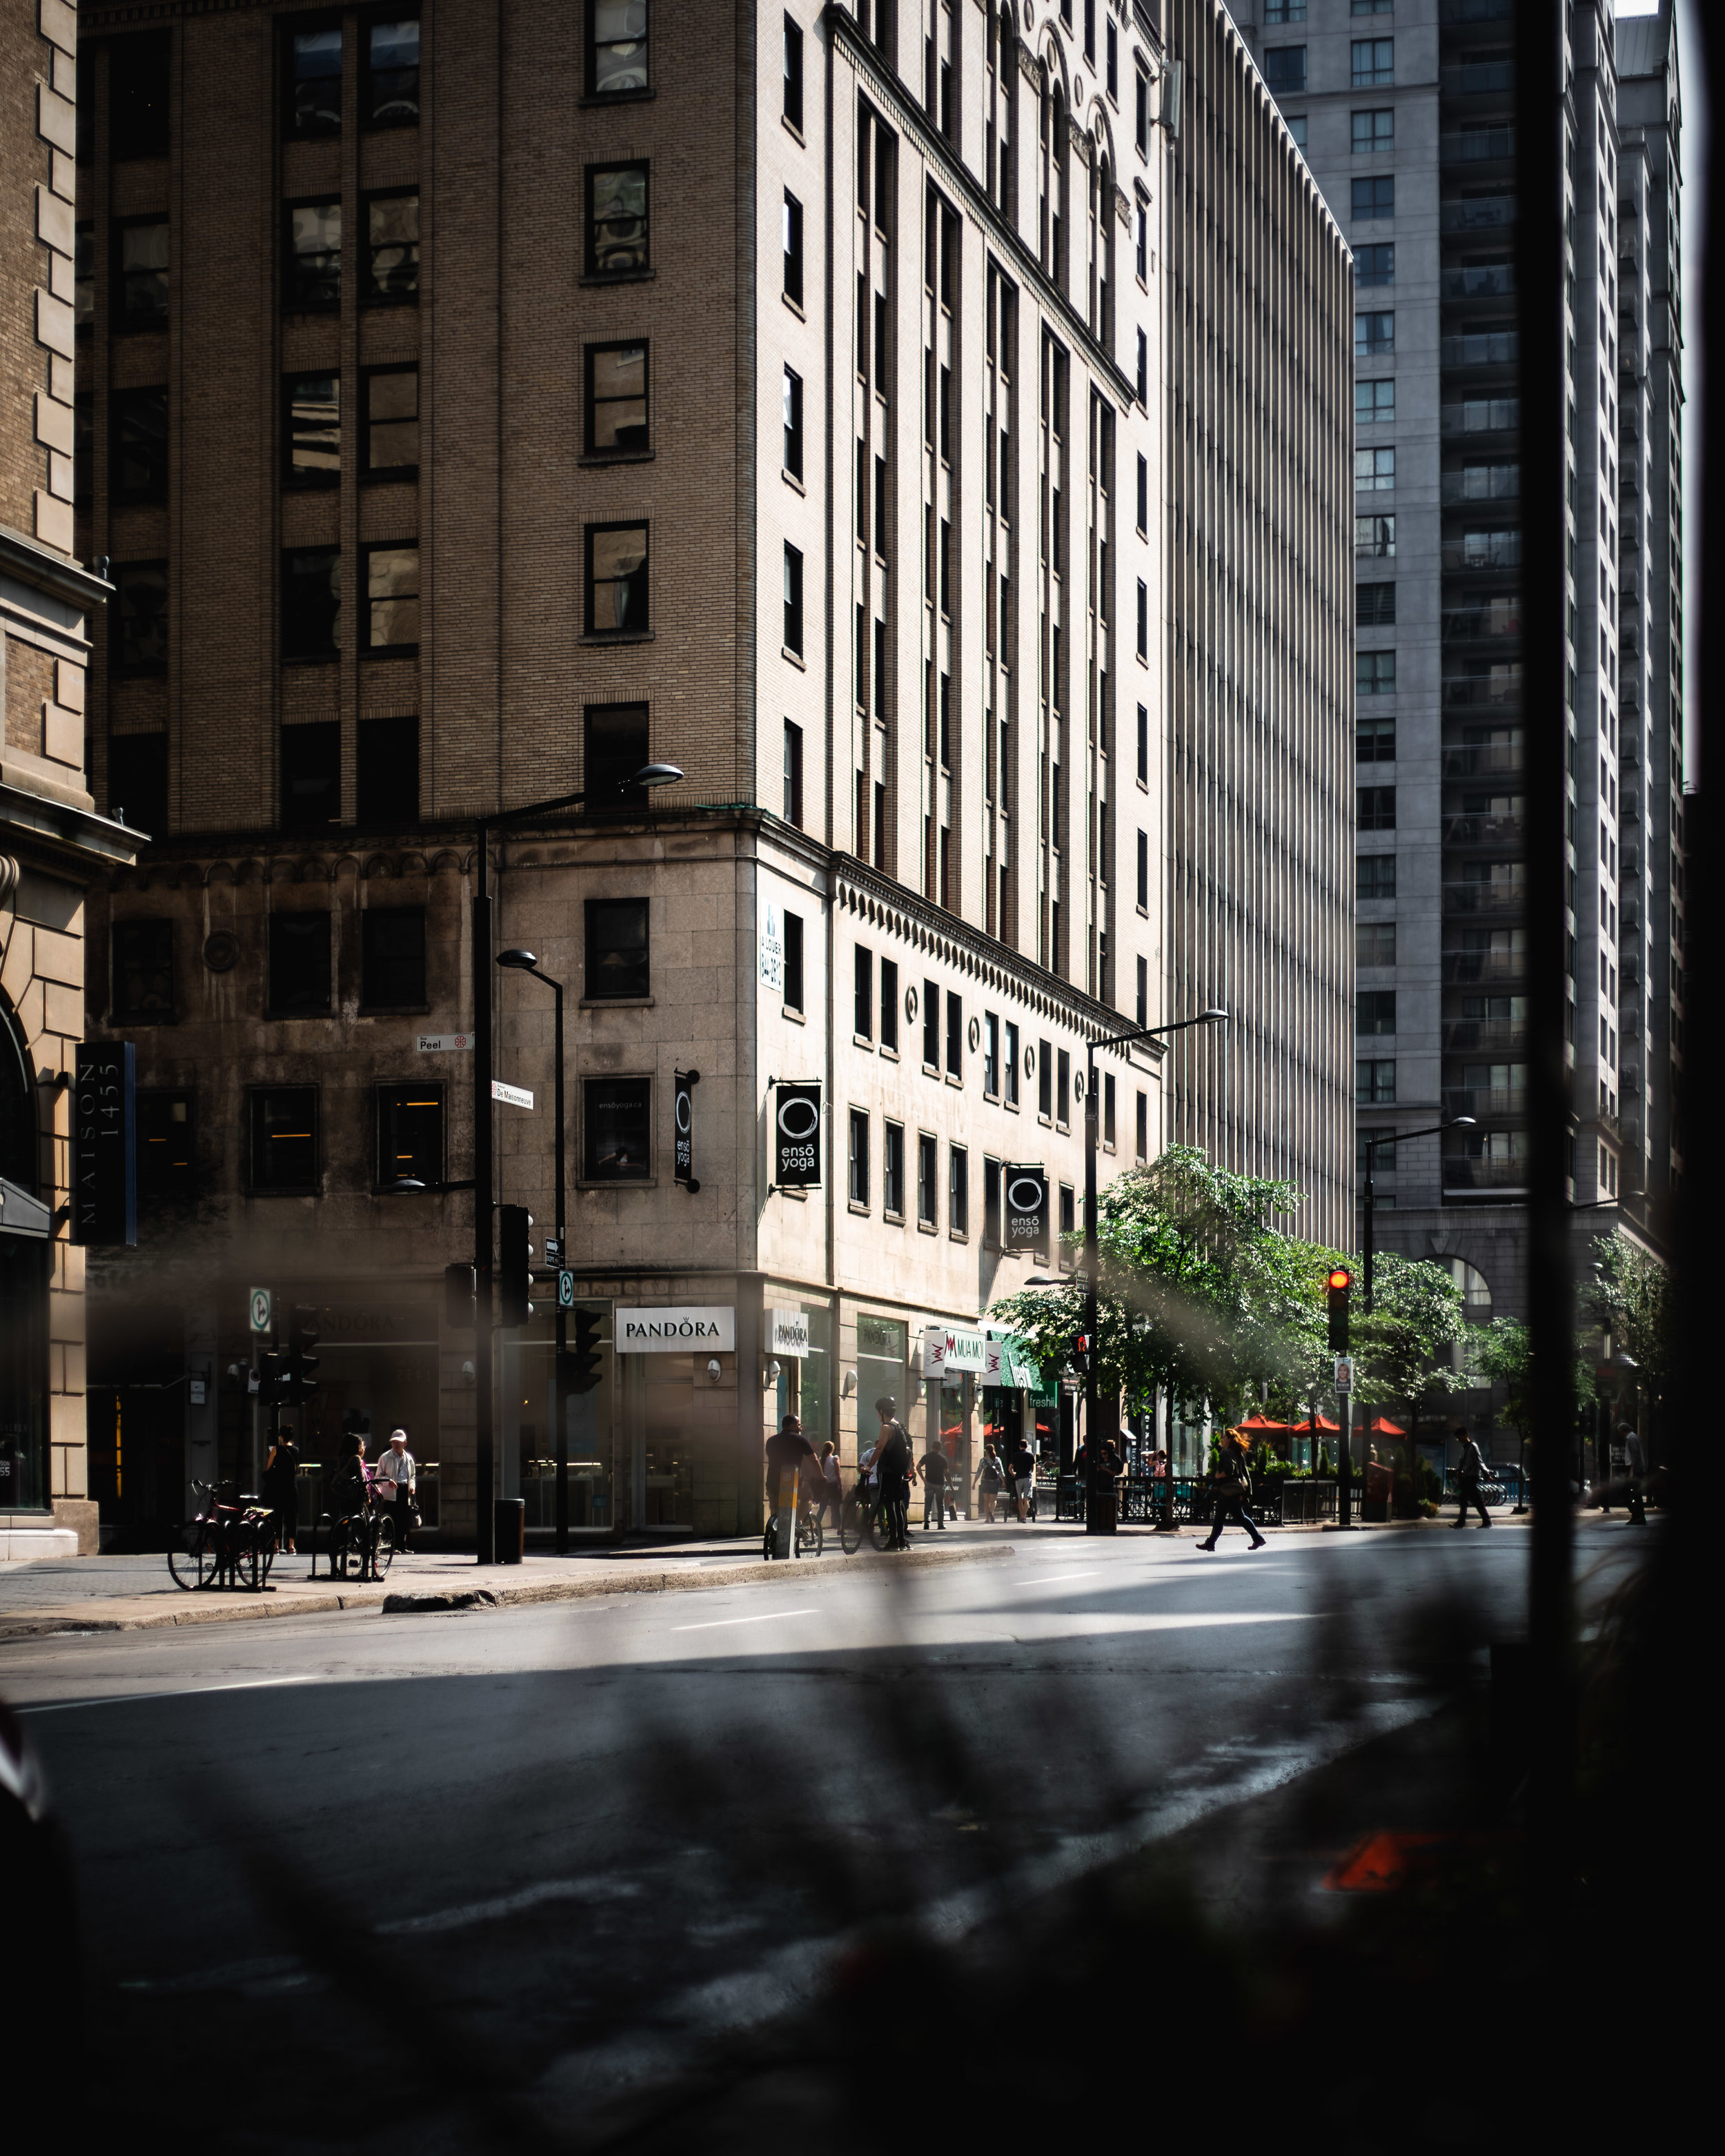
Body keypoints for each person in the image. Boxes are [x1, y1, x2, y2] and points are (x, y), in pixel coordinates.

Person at [1198, 1431, 1265, 1552]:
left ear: (1229, 1439)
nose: (1222, 1440)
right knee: (1221, 1518)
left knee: (1239, 1517)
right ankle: (1211, 1543)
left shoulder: (1227, 1453)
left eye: (1224, 1437)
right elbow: (1245, 1472)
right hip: (1232, 1491)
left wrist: (1218, 1475)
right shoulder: (1237, 1453)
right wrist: (1247, 1492)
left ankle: (1257, 1538)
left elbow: (1229, 1470)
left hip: (1229, 1491)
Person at [871, 1396, 916, 1550]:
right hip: (899, 1472)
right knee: (898, 1505)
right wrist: (911, 1468)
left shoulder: (886, 1427)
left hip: (888, 1472)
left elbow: (880, 1448)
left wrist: (869, 1466)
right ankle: (902, 1540)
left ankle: (893, 1541)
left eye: (878, 1412)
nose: (878, 1415)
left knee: (888, 1505)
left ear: (882, 1411)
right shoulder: (901, 1426)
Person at [764, 1414, 816, 1541]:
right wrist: (820, 1476)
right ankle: (798, 1522)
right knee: (808, 1496)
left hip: (773, 1481)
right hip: (792, 1480)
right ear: (792, 1426)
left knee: (775, 1510)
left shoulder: (771, 1441)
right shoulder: (800, 1440)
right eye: (798, 1425)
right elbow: (813, 1460)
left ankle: (773, 1536)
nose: (800, 1427)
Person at [374, 1427, 417, 1553]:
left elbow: (413, 1475)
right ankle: (389, 1546)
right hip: (390, 1492)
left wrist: (412, 1487)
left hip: (404, 1490)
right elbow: (378, 1476)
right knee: (391, 1519)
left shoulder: (409, 1459)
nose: (396, 1444)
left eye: (398, 1442)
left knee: (403, 1520)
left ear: (405, 1443)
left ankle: (401, 1546)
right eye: (394, 1442)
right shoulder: (385, 1457)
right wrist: (388, 1481)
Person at [261, 1427, 300, 1554]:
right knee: (291, 1516)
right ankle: (291, 1546)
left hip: (278, 1487)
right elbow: (296, 1469)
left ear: (281, 1437)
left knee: (278, 1516)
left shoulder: (276, 1449)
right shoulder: (296, 1451)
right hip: (291, 1487)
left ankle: (276, 1546)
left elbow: (268, 1468)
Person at [1452, 1425, 1492, 1529]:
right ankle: (1463, 1522)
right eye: (1457, 1438)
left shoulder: (1473, 1447)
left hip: (1472, 1476)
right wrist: (1458, 1470)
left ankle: (1485, 1520)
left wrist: (1486, 1474)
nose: (1459, 1440)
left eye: (1460, 1437)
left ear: (1466, 1435)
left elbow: (1480, 1461)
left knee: (1472, 1499)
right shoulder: (1464, 1448)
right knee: (1466, 1499)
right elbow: (1461, 1460)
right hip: (1466, 1476)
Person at [918, 1436, 952, 1530]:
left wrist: (923, 1478)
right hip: (940, 1484)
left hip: (929, 1483)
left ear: (932, 1447)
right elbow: (946, 1473)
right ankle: (940, 1524)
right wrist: (951, 1485)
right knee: (940, 1504)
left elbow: (918, 1467)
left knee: (928, 1503)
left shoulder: (927, 1457)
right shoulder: (943, 1459)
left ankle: (926, 1523)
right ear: (940, 1448)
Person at [814, 1440, 845, 1531]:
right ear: (832, 1449)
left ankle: (816, 1527)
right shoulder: (834, 1459)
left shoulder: (821, 1460)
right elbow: (838, 1474)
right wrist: (841, 1486)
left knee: (822, 1507)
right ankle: (839, 1528)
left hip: (825, 1487)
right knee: (836, 1508)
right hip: (834, 1486)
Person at [1007, 1436, 1036, 1523]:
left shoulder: (1016, 1455)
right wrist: (1029, 1473)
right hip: (1027, 1477)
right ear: (1027, 1446)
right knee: (1026, 1498)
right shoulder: (1030, 1455)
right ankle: (1024, 1517)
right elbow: (1032, 1468)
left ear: (1020, 1446)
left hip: (1019, 1478)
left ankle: (1021, 1516)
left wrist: (1013, 1473)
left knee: (1020, 1498)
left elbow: (1010, 1468)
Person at [975, 1442, 1005, 1523]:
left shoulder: (983, 1460)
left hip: (985, 1481)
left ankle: (987, 1519)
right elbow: (1001, 1472)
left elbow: (979, 1472)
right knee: (993, 1501)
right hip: (994, 1482)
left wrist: (974, 1483)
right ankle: (991, 1512)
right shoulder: (997, 1460)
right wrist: (1003, 1482)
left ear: (986, 1451)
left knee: (986, 1501)